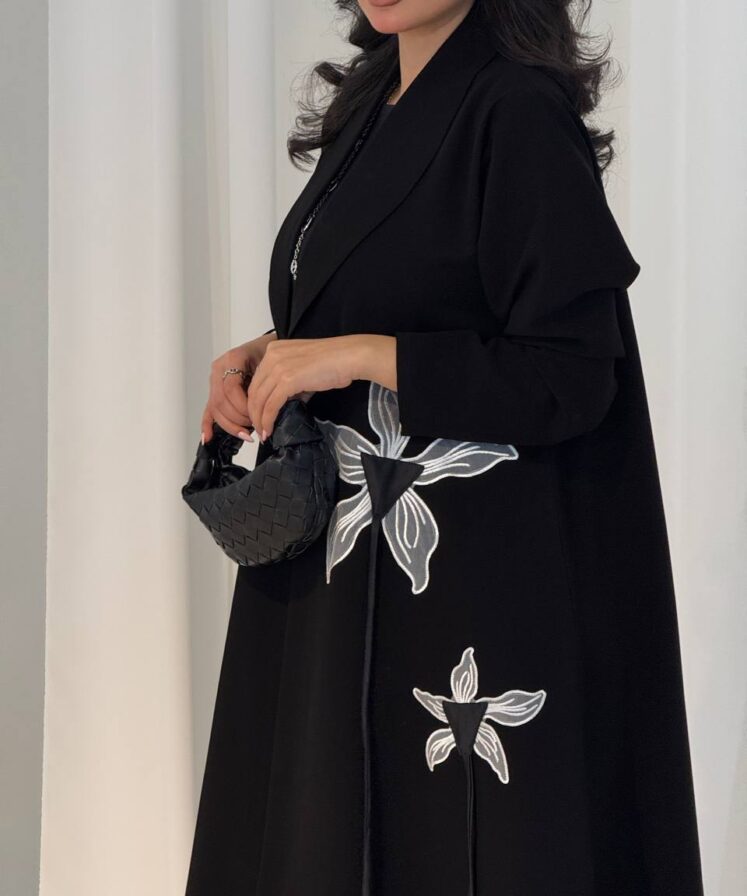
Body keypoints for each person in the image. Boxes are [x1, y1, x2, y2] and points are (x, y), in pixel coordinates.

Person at [185, 2, 704, 894]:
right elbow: (405, 296)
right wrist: (274, 352)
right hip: (347, 579)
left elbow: (570, 372)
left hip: (464, 591)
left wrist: (355, 355)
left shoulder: (516, 110)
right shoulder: (375, 97)